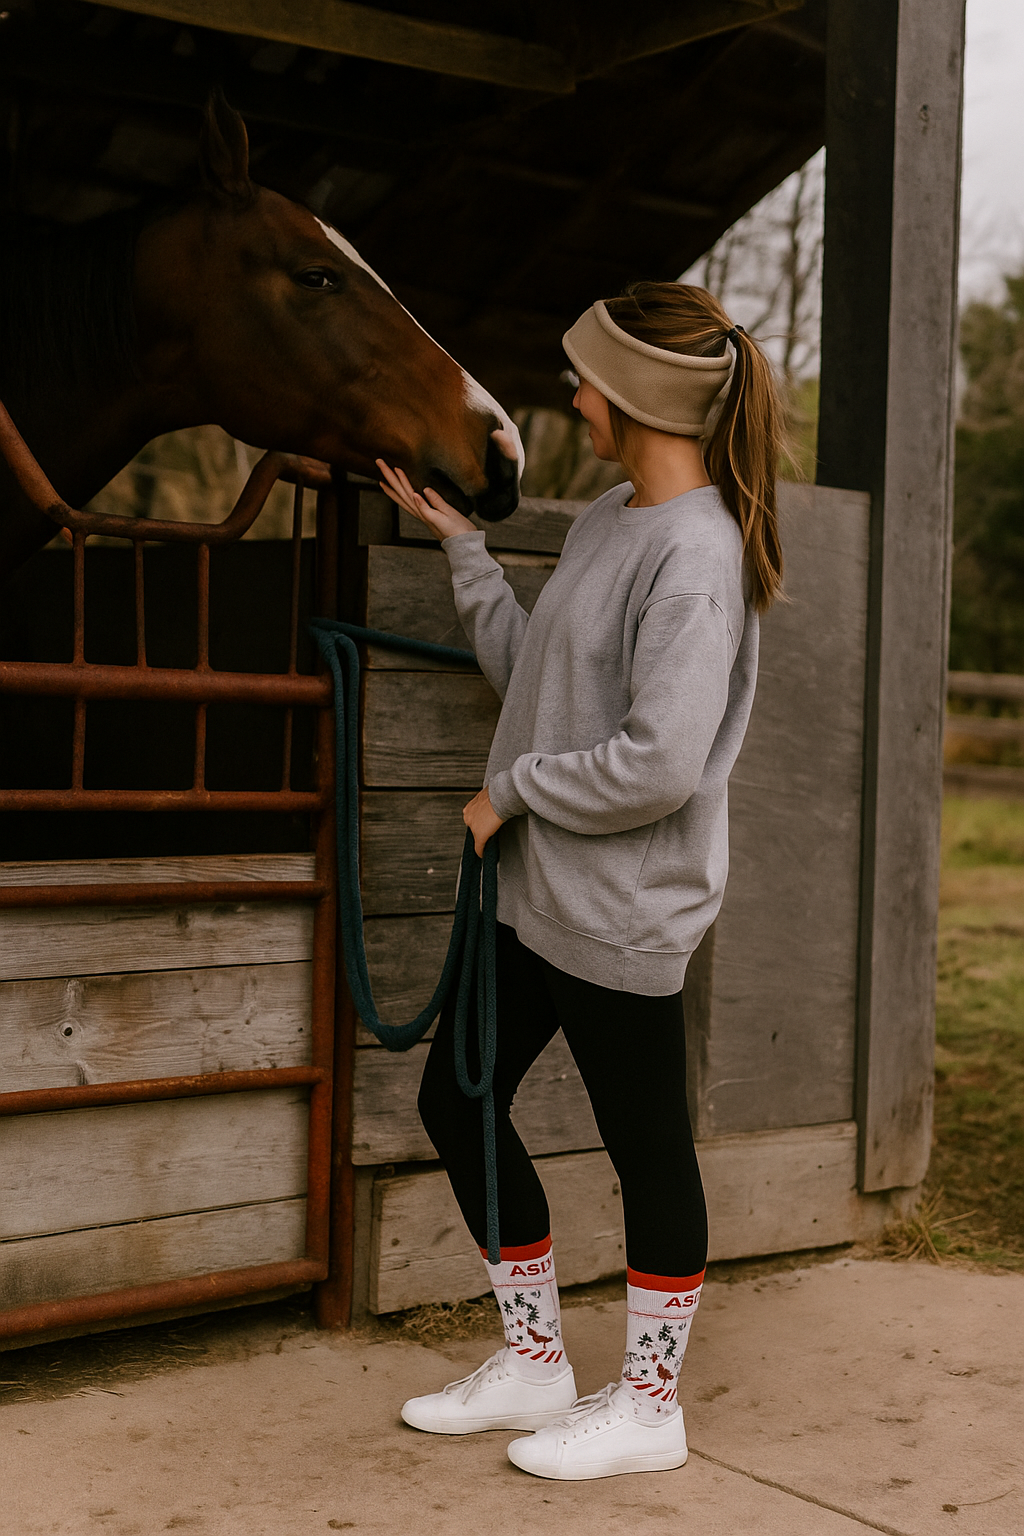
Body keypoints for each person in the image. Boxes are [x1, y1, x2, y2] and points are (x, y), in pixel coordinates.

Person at [375, 281, 784, 1482]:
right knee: (457, 1105)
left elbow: (658, 764)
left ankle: (650, 1405)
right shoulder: (612, 519)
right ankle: (535, 1361)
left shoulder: (699, 559)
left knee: (646, 1151)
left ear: (640, 397)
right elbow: (541, 682)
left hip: (618, 913)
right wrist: (468, 555)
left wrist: (514, 795)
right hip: (535, 897)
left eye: (586, 377)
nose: (571, 394)